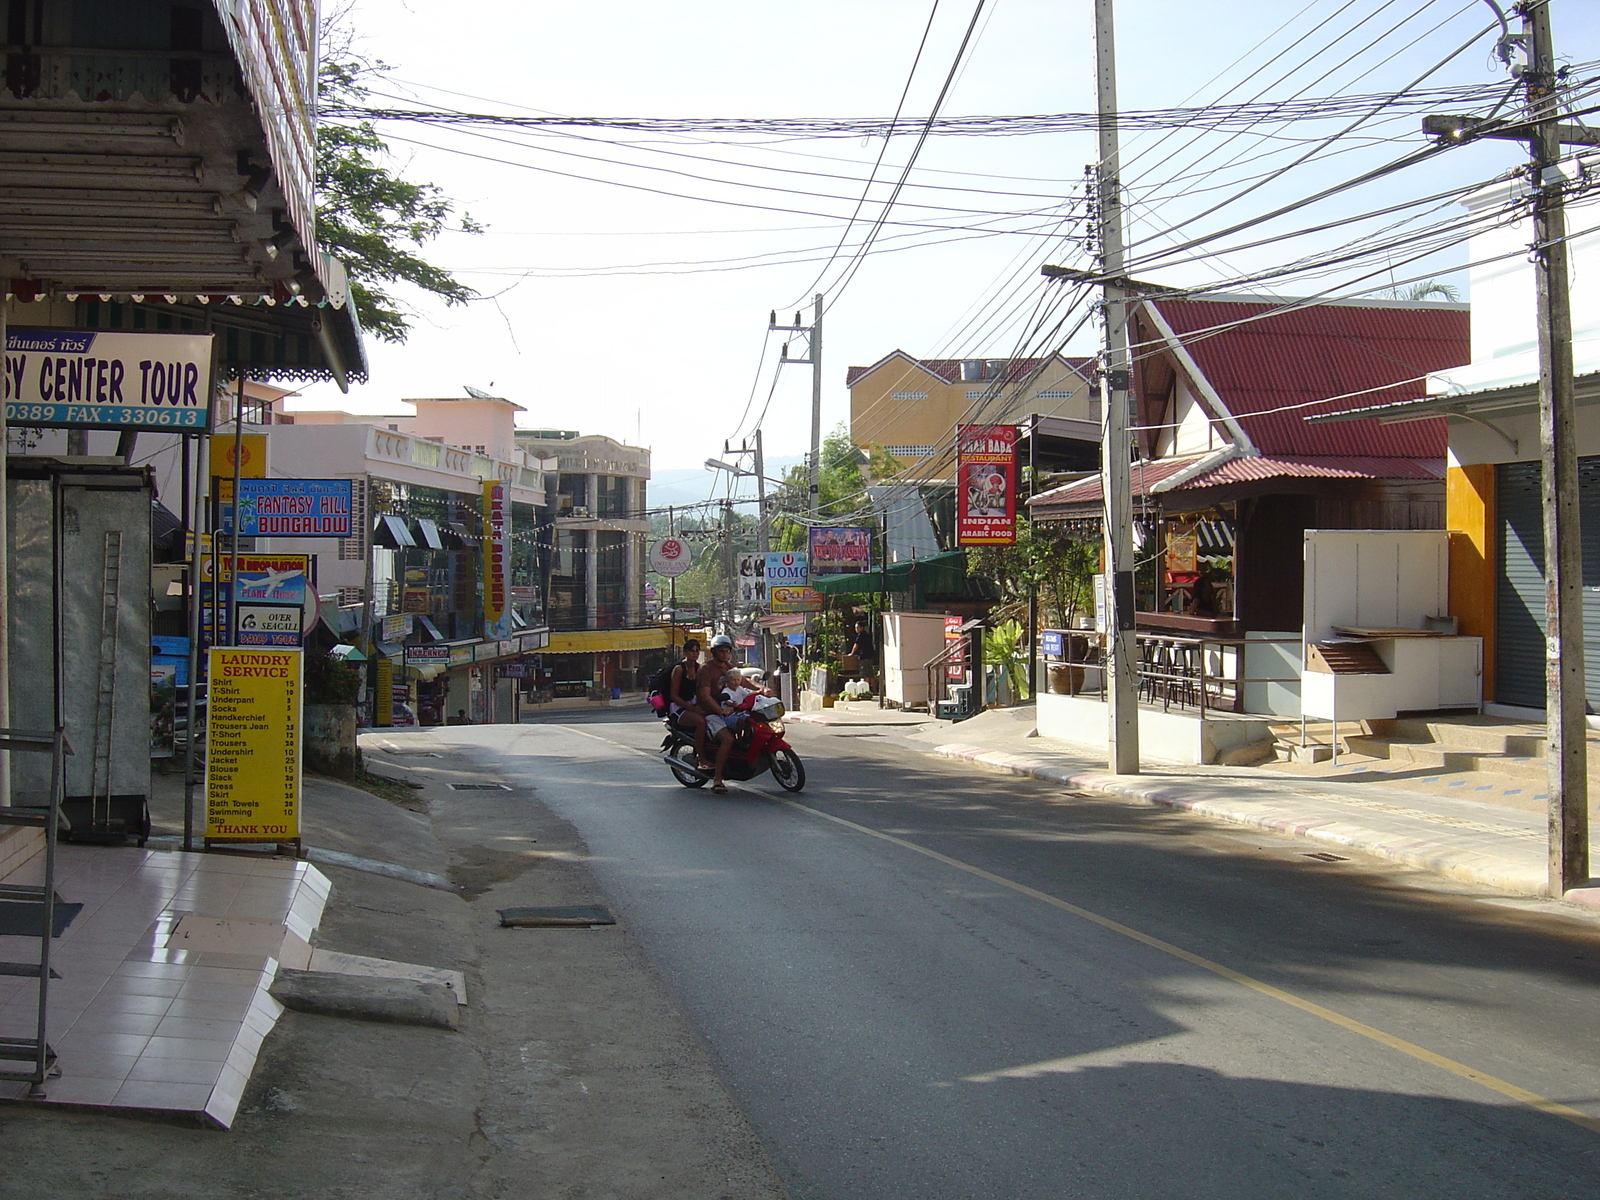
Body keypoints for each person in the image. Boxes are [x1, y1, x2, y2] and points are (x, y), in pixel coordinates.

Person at [696, 634, 741, 793]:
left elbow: (743, 681)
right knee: (728, 739)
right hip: (711, 713)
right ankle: (717, 779)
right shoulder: (706, 669)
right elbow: (705, 696)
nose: (724, 654)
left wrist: (760, 689)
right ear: (714, 652)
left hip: (729, 711)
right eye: (721, 651)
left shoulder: (728, 667)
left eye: (727, 651)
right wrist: (720, 710)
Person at [667, 639, 706, 760]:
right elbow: (674, 695)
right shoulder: (679, 669)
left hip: (694, 706)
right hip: (679, 708)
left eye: (696, 651)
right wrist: (693, 709)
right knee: (701, 722)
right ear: (685, 653)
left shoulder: (700, 669)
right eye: (691, 651)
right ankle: (701, 758)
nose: (694, 654)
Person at [848, 616, 877, 680]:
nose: (856, 629)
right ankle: (874, 689)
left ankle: (866, 688)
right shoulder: (867, 634)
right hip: (869, 656)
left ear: (862, 627)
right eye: (855, 627)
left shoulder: (860, 635)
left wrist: (852, 653)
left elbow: (856, 645)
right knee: (870, 674)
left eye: (858, 627)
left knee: (864, 675)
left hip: (863, 657)